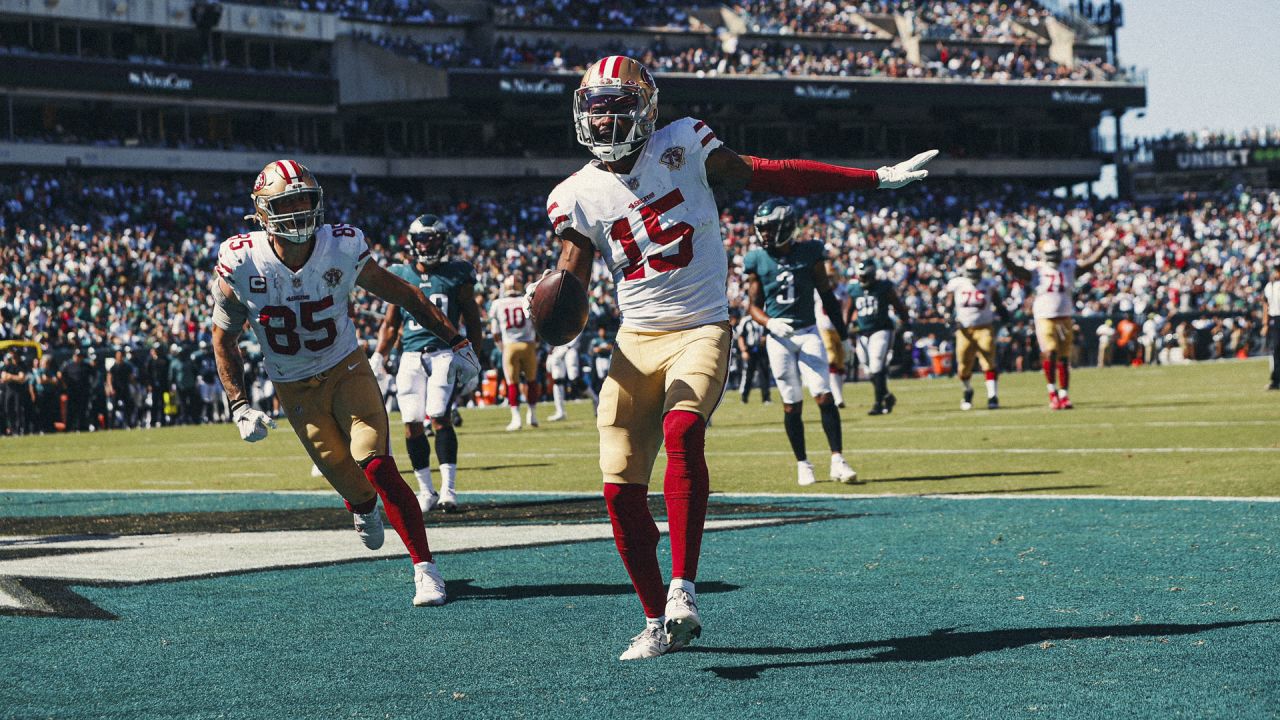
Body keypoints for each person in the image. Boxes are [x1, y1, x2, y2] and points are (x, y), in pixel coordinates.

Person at [541, 55, 934, 660]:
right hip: (635, 340)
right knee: (619, 490)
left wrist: (871, 180)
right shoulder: (574, 194)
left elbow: (771, 173)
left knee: (683, 430)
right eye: (595, 106)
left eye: (617, 106)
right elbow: (571, 283)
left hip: (700, 326)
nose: (604, 118)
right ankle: (654, 621)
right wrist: (547, 302)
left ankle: (682, 588)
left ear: (644, 111)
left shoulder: (684, 142)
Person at [210, 160, 481, 606]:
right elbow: (223, 336)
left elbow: (403, 293)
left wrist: (456, 339)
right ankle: (361, 506)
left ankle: (425, 568)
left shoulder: (341, 245)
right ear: (262, 211)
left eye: (304, 200)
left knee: (374, 463)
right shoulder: (240, 260)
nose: (298, 211)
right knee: (353, 486)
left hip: (346, 368)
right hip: (294, 386)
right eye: (286, 203)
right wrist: (239, 404)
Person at [371, 214, 483, 514]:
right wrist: (380, 355)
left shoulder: (458, 272)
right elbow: (391, 323)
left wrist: (475, 356)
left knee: (438, 416)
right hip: (409, 356)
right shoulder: (400, 273)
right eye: (422, 239)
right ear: (412, 242)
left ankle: (449, 489)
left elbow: (472, 318)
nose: (426, 245)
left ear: (443, 241)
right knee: (411, 424)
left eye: (432, 239)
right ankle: (426, 491)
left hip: (444, 352)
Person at [742, 198, 858, 486]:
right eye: (762, 228)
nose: (765, 234)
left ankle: (837, 460)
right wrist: (770, 323)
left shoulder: (810, 253)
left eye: (770, 228)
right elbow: (752, 306)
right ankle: (803, 463)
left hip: (808, 332)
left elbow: (827, 296)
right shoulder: (757, 259)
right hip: (779, 337)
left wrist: (843, 336)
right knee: (791, 403)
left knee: (823, 394)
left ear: (786, 226)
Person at [1002, 233, 1110, 409]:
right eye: (1051, 255)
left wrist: (1104, 247)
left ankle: (1064, 394)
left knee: (1064, 357)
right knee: (1050, 352)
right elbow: (1017, 270)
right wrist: (1004, 257)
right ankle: (1052, 392)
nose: (1054, 258)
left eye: (1056, 254)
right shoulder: (1036, 269)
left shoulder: (1068, 266)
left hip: (1065, 317)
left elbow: (1089, 263)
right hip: (1045, 317)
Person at [847, 259, 909, 415]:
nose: (862, 279)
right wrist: (845, 327)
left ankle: (878, 404)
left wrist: (904, 319)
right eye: (860, 276)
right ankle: (887, 396)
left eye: (865, 276)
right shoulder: (854, 289)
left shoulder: (883, 287)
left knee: (876, 366)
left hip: (881, 330)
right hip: (862, 333)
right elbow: (848, 309)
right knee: (869, 371)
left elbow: (897, 304)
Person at [942, 255, 1002, 410]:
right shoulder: (958, 283)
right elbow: (948, 302)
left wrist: (1005, 317)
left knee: (988, 358)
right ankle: (967, 390)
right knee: (963, 366)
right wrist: (948, 315)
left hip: (984, 327)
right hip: (964, 329)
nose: (974, 275)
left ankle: (992, 396)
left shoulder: (988, 283)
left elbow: (998, 302)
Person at [489, 274, 541, 431]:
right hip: (528, 344)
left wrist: (502, 348)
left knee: (512, 383)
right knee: (531, 381)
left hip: (510, 346)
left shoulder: (497, 304)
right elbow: (537, 324)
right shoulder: (527, 300)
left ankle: (516, 419)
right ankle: (532, 415)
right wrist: (536, 343)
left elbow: (495, 332)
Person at [815, 259, 850, 408]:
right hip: (824, 328)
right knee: (832, 358)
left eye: (831, 276)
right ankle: (836, 397)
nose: (829, 279)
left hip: (839, 329)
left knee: (841, 362)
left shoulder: (842, 289)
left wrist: (846, 323)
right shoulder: (817, 290)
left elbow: (847, 307)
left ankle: (839, 396)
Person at [546, 330, 590, 421]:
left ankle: (595, 399)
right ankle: (560, 411)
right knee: (557, 380)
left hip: (570, 346)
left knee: (574, 378)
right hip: (558, 347)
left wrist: (570, 345)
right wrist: (551, 349)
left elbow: (580, 326)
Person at [735, 314, 771, 404]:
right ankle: (744, 398)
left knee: (764, 374)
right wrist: (743, 350)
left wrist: (765, 338)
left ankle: (766, 398)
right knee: (749, 375)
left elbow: (768, 332)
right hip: (750, 350)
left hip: (762, 350)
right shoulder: (746, 320)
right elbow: (740, 336)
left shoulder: (764, 318)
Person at [1265, 266, 1280, 390]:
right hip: (1275, 319)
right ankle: (1276, 380)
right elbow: (1266, 304)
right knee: (1276, 349)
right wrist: (1265, 323)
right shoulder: (1269, 286)